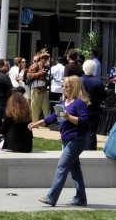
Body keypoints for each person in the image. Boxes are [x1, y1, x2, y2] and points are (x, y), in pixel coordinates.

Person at [32, 75, 90, 207]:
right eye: (63, 86)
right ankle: (81, 198)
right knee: (75, 170)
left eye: (66, 86)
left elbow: (84, 121)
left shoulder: (79, 103)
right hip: (67, 139)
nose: (63, 88)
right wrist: (37, 123)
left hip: (77, 140)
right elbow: (54, 117)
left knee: (62, 166)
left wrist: (68, 117)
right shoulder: (64, 101)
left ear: (74, 87)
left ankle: (51, 197)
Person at [81, 59, 106, 150]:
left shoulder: (79, 81)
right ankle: (90, 153)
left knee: (81, 133)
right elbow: (104, 95)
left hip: (80, 111)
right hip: (93, 111)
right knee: (91, 133)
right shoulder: (98, 81)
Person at [26, 51, 51, 122]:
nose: (45, 59)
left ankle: (48, 122)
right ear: (41, 58)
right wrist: (40, 73)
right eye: (44, 58)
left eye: (47, 58)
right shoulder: (35, 65)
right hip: (36, 89)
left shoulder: (46, 66)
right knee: (35, 108)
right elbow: (29, 74)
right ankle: (34, 122)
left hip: (44, 89)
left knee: (46, 107)